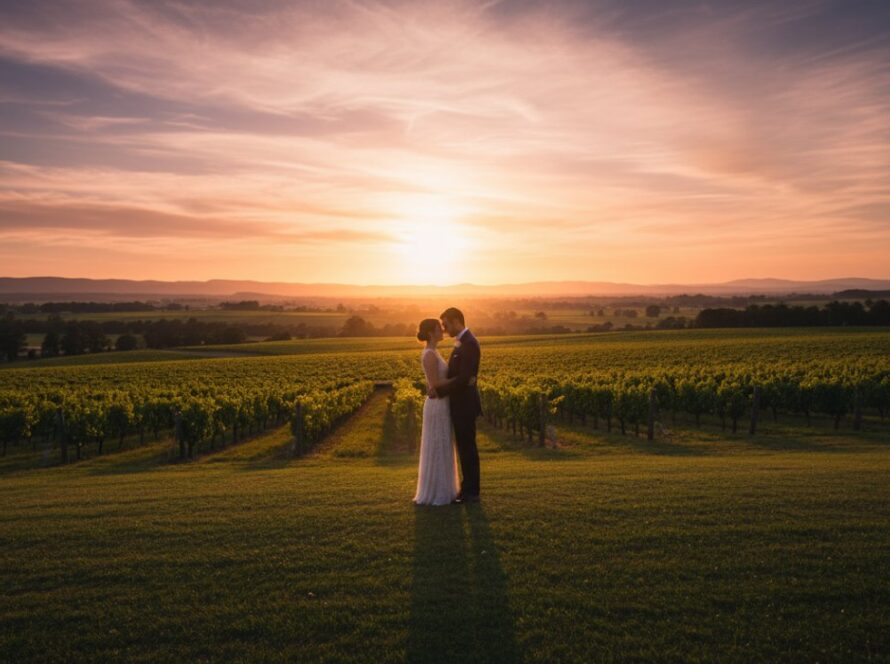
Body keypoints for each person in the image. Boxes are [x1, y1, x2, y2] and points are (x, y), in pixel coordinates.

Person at [429, 307, 482, 504]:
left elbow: (464, 378)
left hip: (465, 404)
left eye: (446, 324)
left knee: (468, 448)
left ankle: (472, 493)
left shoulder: (469, 343)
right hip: (460, 403)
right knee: (464, 447)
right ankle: (466, 489)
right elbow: (460, 377)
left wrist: (440, 390)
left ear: (457, 321)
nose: (444, 328)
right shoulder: (462, 342)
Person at [413, 318, 460, 506]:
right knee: (438, 444)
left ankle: (445, 489)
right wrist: (458, 379)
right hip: (437, 404)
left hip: (441, 402)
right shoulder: (430, 354)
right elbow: (434, 384)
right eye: (439, 328)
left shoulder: (434, 352)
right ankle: (437, 492)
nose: (443, 330)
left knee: (442, 443)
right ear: (431, 333)